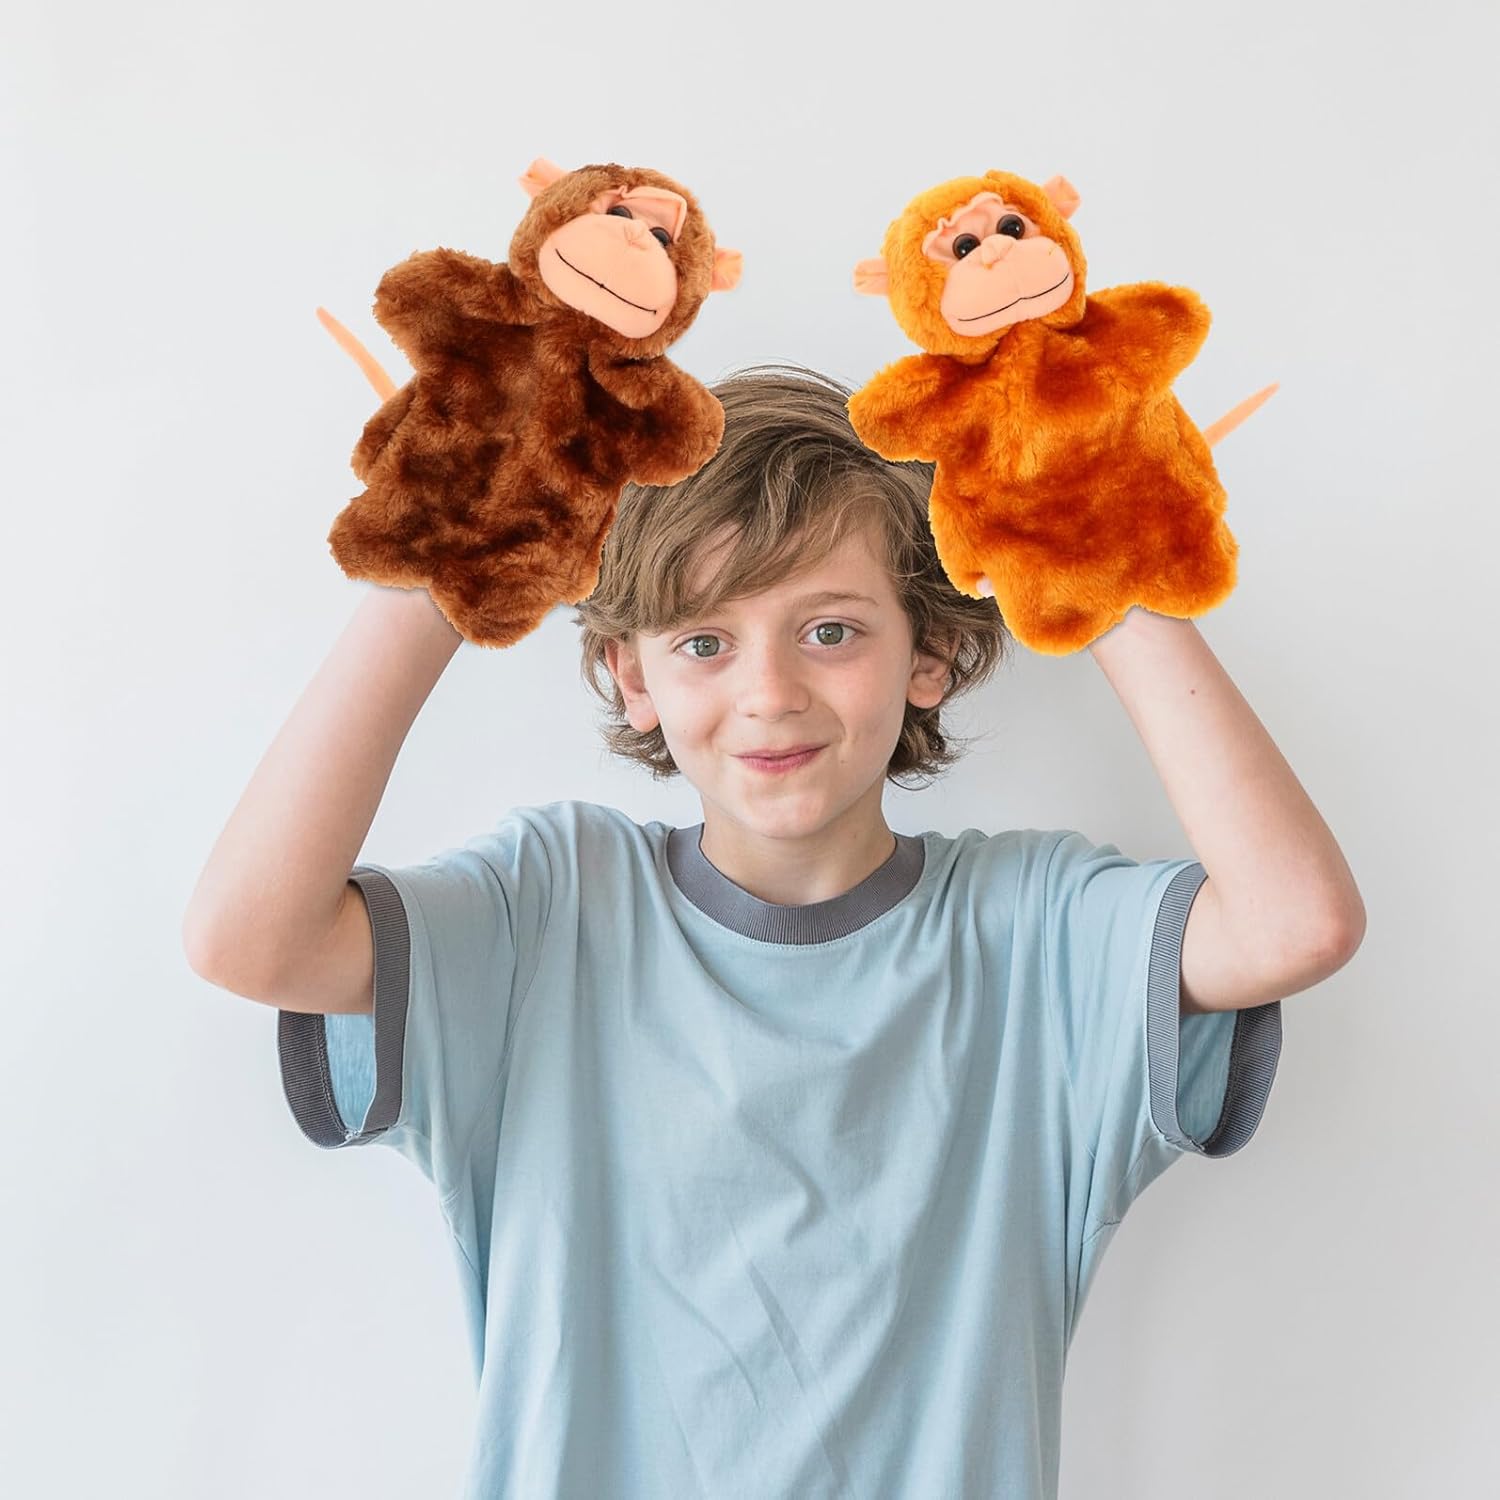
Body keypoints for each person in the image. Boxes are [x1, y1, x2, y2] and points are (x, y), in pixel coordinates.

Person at [182, 362, 1364, 1499]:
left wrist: (1098, 554)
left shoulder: (1038, 934)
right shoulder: (548, 909)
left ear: (933, 651)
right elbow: (248, 938)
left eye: (831, 631)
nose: (770, 694)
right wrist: (443, 560)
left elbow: (1296, 922)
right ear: (632, 678)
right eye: (704, 641)